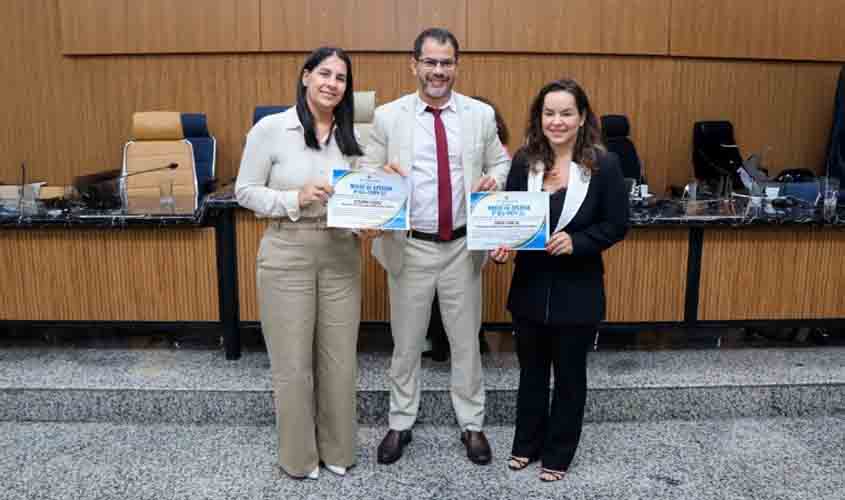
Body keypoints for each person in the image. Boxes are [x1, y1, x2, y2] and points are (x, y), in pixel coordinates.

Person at [363, 27, 511, 465]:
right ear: (414, 64)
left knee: (465, 341)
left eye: (446, 63)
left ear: (456, 67)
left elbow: (501, 161)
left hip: (463, 247)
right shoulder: (389, 117)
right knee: (406, 342)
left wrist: (495, 179)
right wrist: (380, 177)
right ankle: (400, 421)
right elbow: (368, 171)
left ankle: (472, 425)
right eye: (430, 62)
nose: (438, 71)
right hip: (410, 246)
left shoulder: (480, 115)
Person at [235, 47, 366, 480]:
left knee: (339, 361)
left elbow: (365, 197)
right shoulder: (271, 129)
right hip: (287, 251)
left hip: (341, 253)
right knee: (292, 363)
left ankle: (337, 450)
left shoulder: (353, 135)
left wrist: (375, 221)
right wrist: (295, 198)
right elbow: (246, 191)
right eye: (324, 74)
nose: (332, 83)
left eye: (341, 78)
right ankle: (298, 457)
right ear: (306, 76)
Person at [489, 79, 629, 481]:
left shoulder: (603, 165)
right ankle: (526, 444)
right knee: (531, 372)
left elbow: (617, 225)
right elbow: (512, 222)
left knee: (570, 377)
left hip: (578, 291)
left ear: (582, 117)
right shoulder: (523, 161)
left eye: (566, 113)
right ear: (539, 117)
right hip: (529, 290)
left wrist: (578, 241)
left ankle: (559, 453)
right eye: (549, 113)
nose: (557, 121)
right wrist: (503, 248)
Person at [424, 95, 511, 362]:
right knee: (440, 293)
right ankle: (441, 341)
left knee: (467, 295)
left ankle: (473, 339)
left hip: (479, 230)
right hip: (443, 226)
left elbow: (504, 183)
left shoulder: (501, 154)